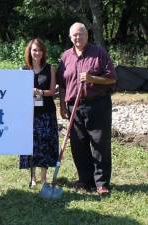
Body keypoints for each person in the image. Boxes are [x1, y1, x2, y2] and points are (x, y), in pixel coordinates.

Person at [57, 22, 117, 196]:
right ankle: (85, 180)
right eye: (74, 35)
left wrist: (92, 78)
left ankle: (101, 183)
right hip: (73, 107)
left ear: (87, 35)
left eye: (80, 34)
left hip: (97, 104)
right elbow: (62, 85)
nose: (77, 37)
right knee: (78, 145)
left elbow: (112, 78)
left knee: (100, 144)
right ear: (70, 38)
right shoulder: (66, 57)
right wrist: (62, 105)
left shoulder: (99, 53)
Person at [19, 38, 59, 187]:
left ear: (44, 52)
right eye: (34, 50)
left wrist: (39, 91)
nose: (37, 53)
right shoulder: (23, 70)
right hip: (28, 114)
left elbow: (52, 91)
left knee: (44, 146)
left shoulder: (50, 68)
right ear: (29, 51)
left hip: (46, 114)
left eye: (40, 50)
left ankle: (44, 178)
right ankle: (32, 178)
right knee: (31, 146)